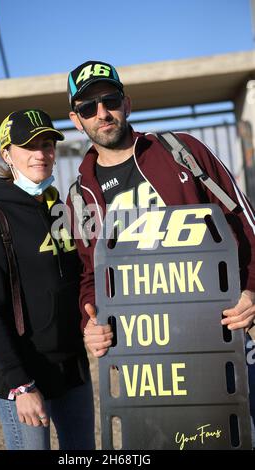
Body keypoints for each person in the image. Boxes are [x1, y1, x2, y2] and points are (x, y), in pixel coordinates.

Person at [66, 60, 255, 357]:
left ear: (126, 105)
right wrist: (90, 326)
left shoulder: (181, 151)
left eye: (110, 101)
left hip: (219, 324)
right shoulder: (79, 197)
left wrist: (251, 289)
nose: (102, 113)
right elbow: (91, 274)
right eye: (88, 108)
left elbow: (243, 220)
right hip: (143, 349)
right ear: (76, 120)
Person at [0, 109, 95, 450]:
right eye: (29, 146)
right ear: (8, 154)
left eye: (47, 144)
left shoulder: (60, 208)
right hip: (23, 375)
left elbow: (82, 277)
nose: (41, 154)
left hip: (72, 369)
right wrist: (21, 385)